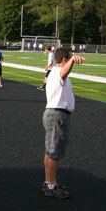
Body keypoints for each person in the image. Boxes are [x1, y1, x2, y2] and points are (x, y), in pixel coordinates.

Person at [42, 46, 85, 199]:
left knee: (50, 151)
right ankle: (51, 185)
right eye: (70, 57)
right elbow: (64, 72)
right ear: (65, 59)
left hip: (54, 113)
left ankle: (49, 182)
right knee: (54, 152)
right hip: (57, 114)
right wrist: (73, 61)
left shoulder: (53, 72)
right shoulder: (57, 72)